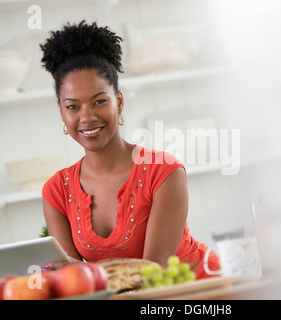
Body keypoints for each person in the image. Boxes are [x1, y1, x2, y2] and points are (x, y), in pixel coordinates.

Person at [39, 20, 220, 279]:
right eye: (73, 107)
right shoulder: (56, 192)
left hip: (203, 291)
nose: (87, 117)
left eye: (99, 101)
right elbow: (71, 281)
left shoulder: (163, 172)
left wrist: (84, 271)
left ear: (119, 102)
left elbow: (154, 273)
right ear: (61, 111)